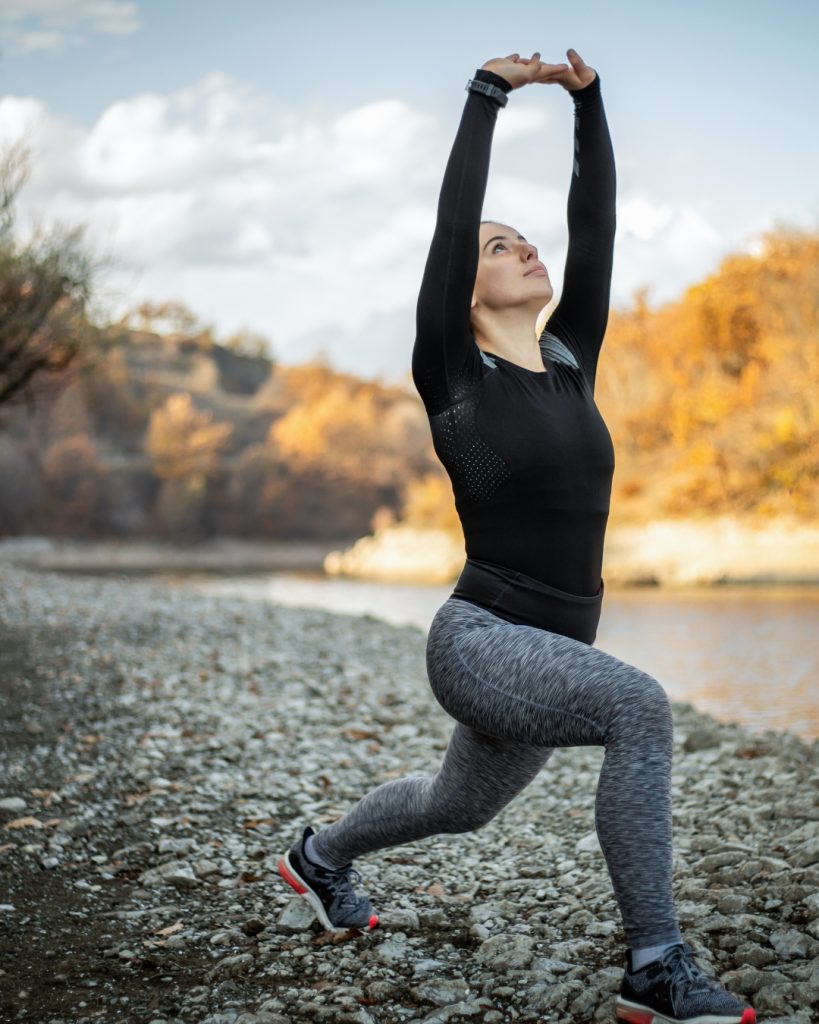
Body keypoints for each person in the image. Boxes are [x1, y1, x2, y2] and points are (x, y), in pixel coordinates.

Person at [278, 49, 757, 1024]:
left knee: (460, 802)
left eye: (524, 241)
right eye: (500, 248)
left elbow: (597, 225)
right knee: (640, 707)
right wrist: (488, 97)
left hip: (545, 649)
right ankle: (655, 966)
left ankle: (317, 856)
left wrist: (589, 105)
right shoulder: (453, 369)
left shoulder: (571, 361)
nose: (523, 249)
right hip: (481, 639)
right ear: (463, 285)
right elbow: (454, 226)